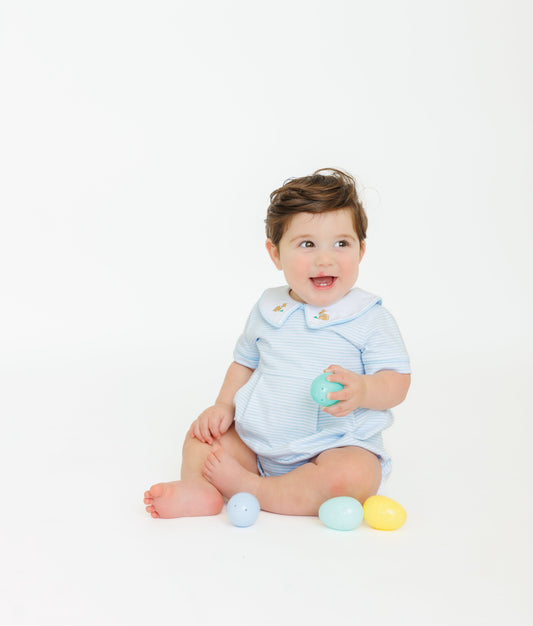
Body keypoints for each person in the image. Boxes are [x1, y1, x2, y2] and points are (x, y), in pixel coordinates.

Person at [144, 168, 411, 519]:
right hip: (257, 444)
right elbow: (244, 363)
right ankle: (201, 490)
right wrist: (223, 406)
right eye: (307, 244)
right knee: (202, 435)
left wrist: (363, 390)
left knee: (356, 473)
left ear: (361, 250)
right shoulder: (270, 308)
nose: (325, 259)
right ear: (275, 254)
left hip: (332, 448)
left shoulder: (368, 317)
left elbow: (397, 381)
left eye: (341, 243)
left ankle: (253, 489)